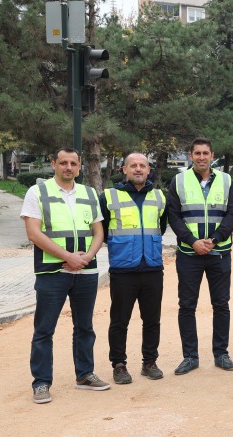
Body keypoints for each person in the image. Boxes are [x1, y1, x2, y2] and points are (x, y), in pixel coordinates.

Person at [22, 148, 109, 404]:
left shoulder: (89, 193)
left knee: (85, 327)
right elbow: (34, 233)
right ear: (53, 164)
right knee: (44, 330)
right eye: (63, 163)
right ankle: (41, 383)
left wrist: (86, 257)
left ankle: (84, 375)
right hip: (52, 271)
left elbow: (98, 232)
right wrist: (67, 257)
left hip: (85, 271)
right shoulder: (37, 192)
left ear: (80, 166)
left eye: (73, 163)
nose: (68, 167)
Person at [166, 137, 233, 374]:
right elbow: (174, 216)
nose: (201, 157)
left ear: (212, 155)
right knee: (187, 305)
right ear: (190, 155)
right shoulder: (178, 181)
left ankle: (221, 354)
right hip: (189, 253)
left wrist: (215, 239)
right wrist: (193, 241)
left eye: (205, 153)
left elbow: (232, 213)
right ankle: (190, 356)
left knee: (221, 305)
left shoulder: (226, 180)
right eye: (197, 153)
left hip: (219, 252)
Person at [100, 152, 168, 384]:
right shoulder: (109, 196)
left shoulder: (159, 197)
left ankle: (149, 362)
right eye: (134, 166)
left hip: (152, 268)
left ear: (149, 170)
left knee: (152, 320)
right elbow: (103, 231)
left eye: (143, 166)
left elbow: (162, 226)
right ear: (124, 170)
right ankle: (119, 365)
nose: (138, 169)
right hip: (123, 269)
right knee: (120, 320)